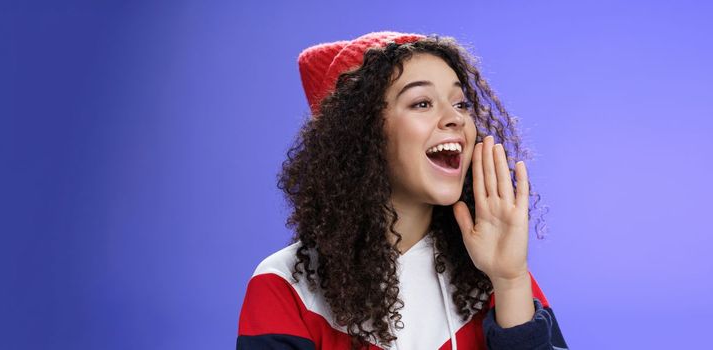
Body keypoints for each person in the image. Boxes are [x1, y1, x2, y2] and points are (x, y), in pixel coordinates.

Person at [236, 31, 568, 350]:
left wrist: (510, 282)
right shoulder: (284, 287)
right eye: (422, 103)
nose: (454, 118)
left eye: (461, 104)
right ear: (362, 135)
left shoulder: (494, 273)